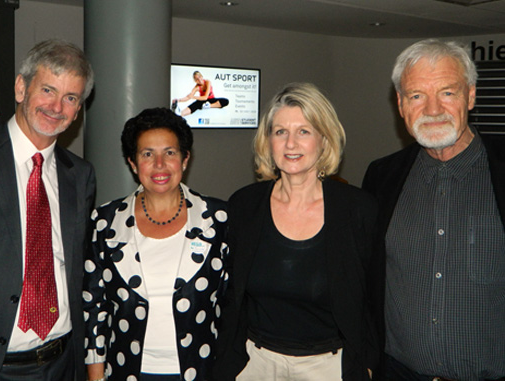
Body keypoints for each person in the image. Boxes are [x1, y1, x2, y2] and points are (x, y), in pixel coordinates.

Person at [214, 83, 378, 380]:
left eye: (304, 131)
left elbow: (375, 299)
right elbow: (229, 295)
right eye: (280, 132)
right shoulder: (244, 205)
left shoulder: (358, 209)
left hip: (328, 367)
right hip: (255, 363)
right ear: (268, 142)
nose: (291, 144)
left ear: (324, 140)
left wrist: (367, 364)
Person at [362, 39, 505, 380]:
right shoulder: (381, 177)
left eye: (447, 93)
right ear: (400, 104)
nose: (432, 109)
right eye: (416, 96)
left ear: (470, 95)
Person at [0, 39, 95, 380]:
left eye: (71, 98)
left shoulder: (81, 175)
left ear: (78, 110)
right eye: (48, 90)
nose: (57, 106)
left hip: (62, 363)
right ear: (21, 88)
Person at [83, 107, 228, 381]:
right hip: (126, 371)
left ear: (185, 159)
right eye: (147, 154)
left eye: (170, 152)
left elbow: (232, 303)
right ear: (133, 163)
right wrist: (95, 375)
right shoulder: (105, 221)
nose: (159, 164)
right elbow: (93, 307)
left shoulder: (219, 219)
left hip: (202, 370)